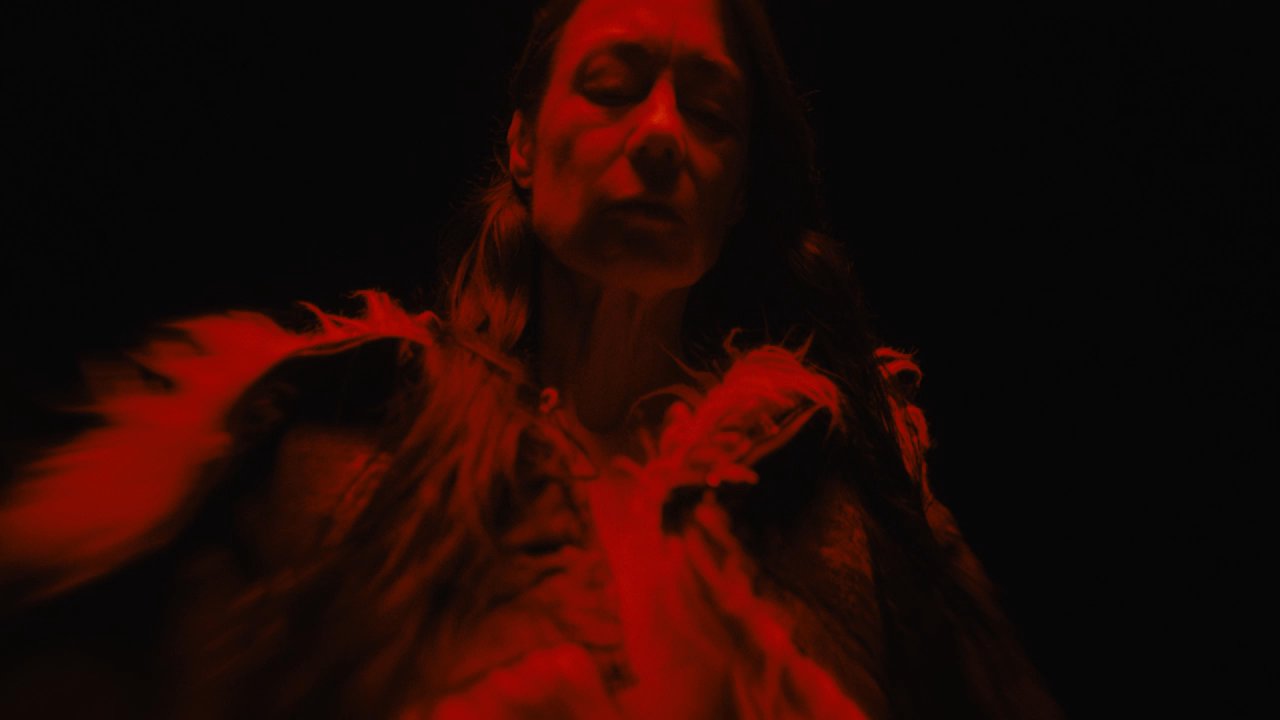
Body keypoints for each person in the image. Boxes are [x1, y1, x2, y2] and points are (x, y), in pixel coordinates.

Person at [0, 0, 1061, 717]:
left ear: (740, 190)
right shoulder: (326, 452)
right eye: (612, 85)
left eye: (709, 111)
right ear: (520, 144)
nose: (661, 134)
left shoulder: (854, 514)